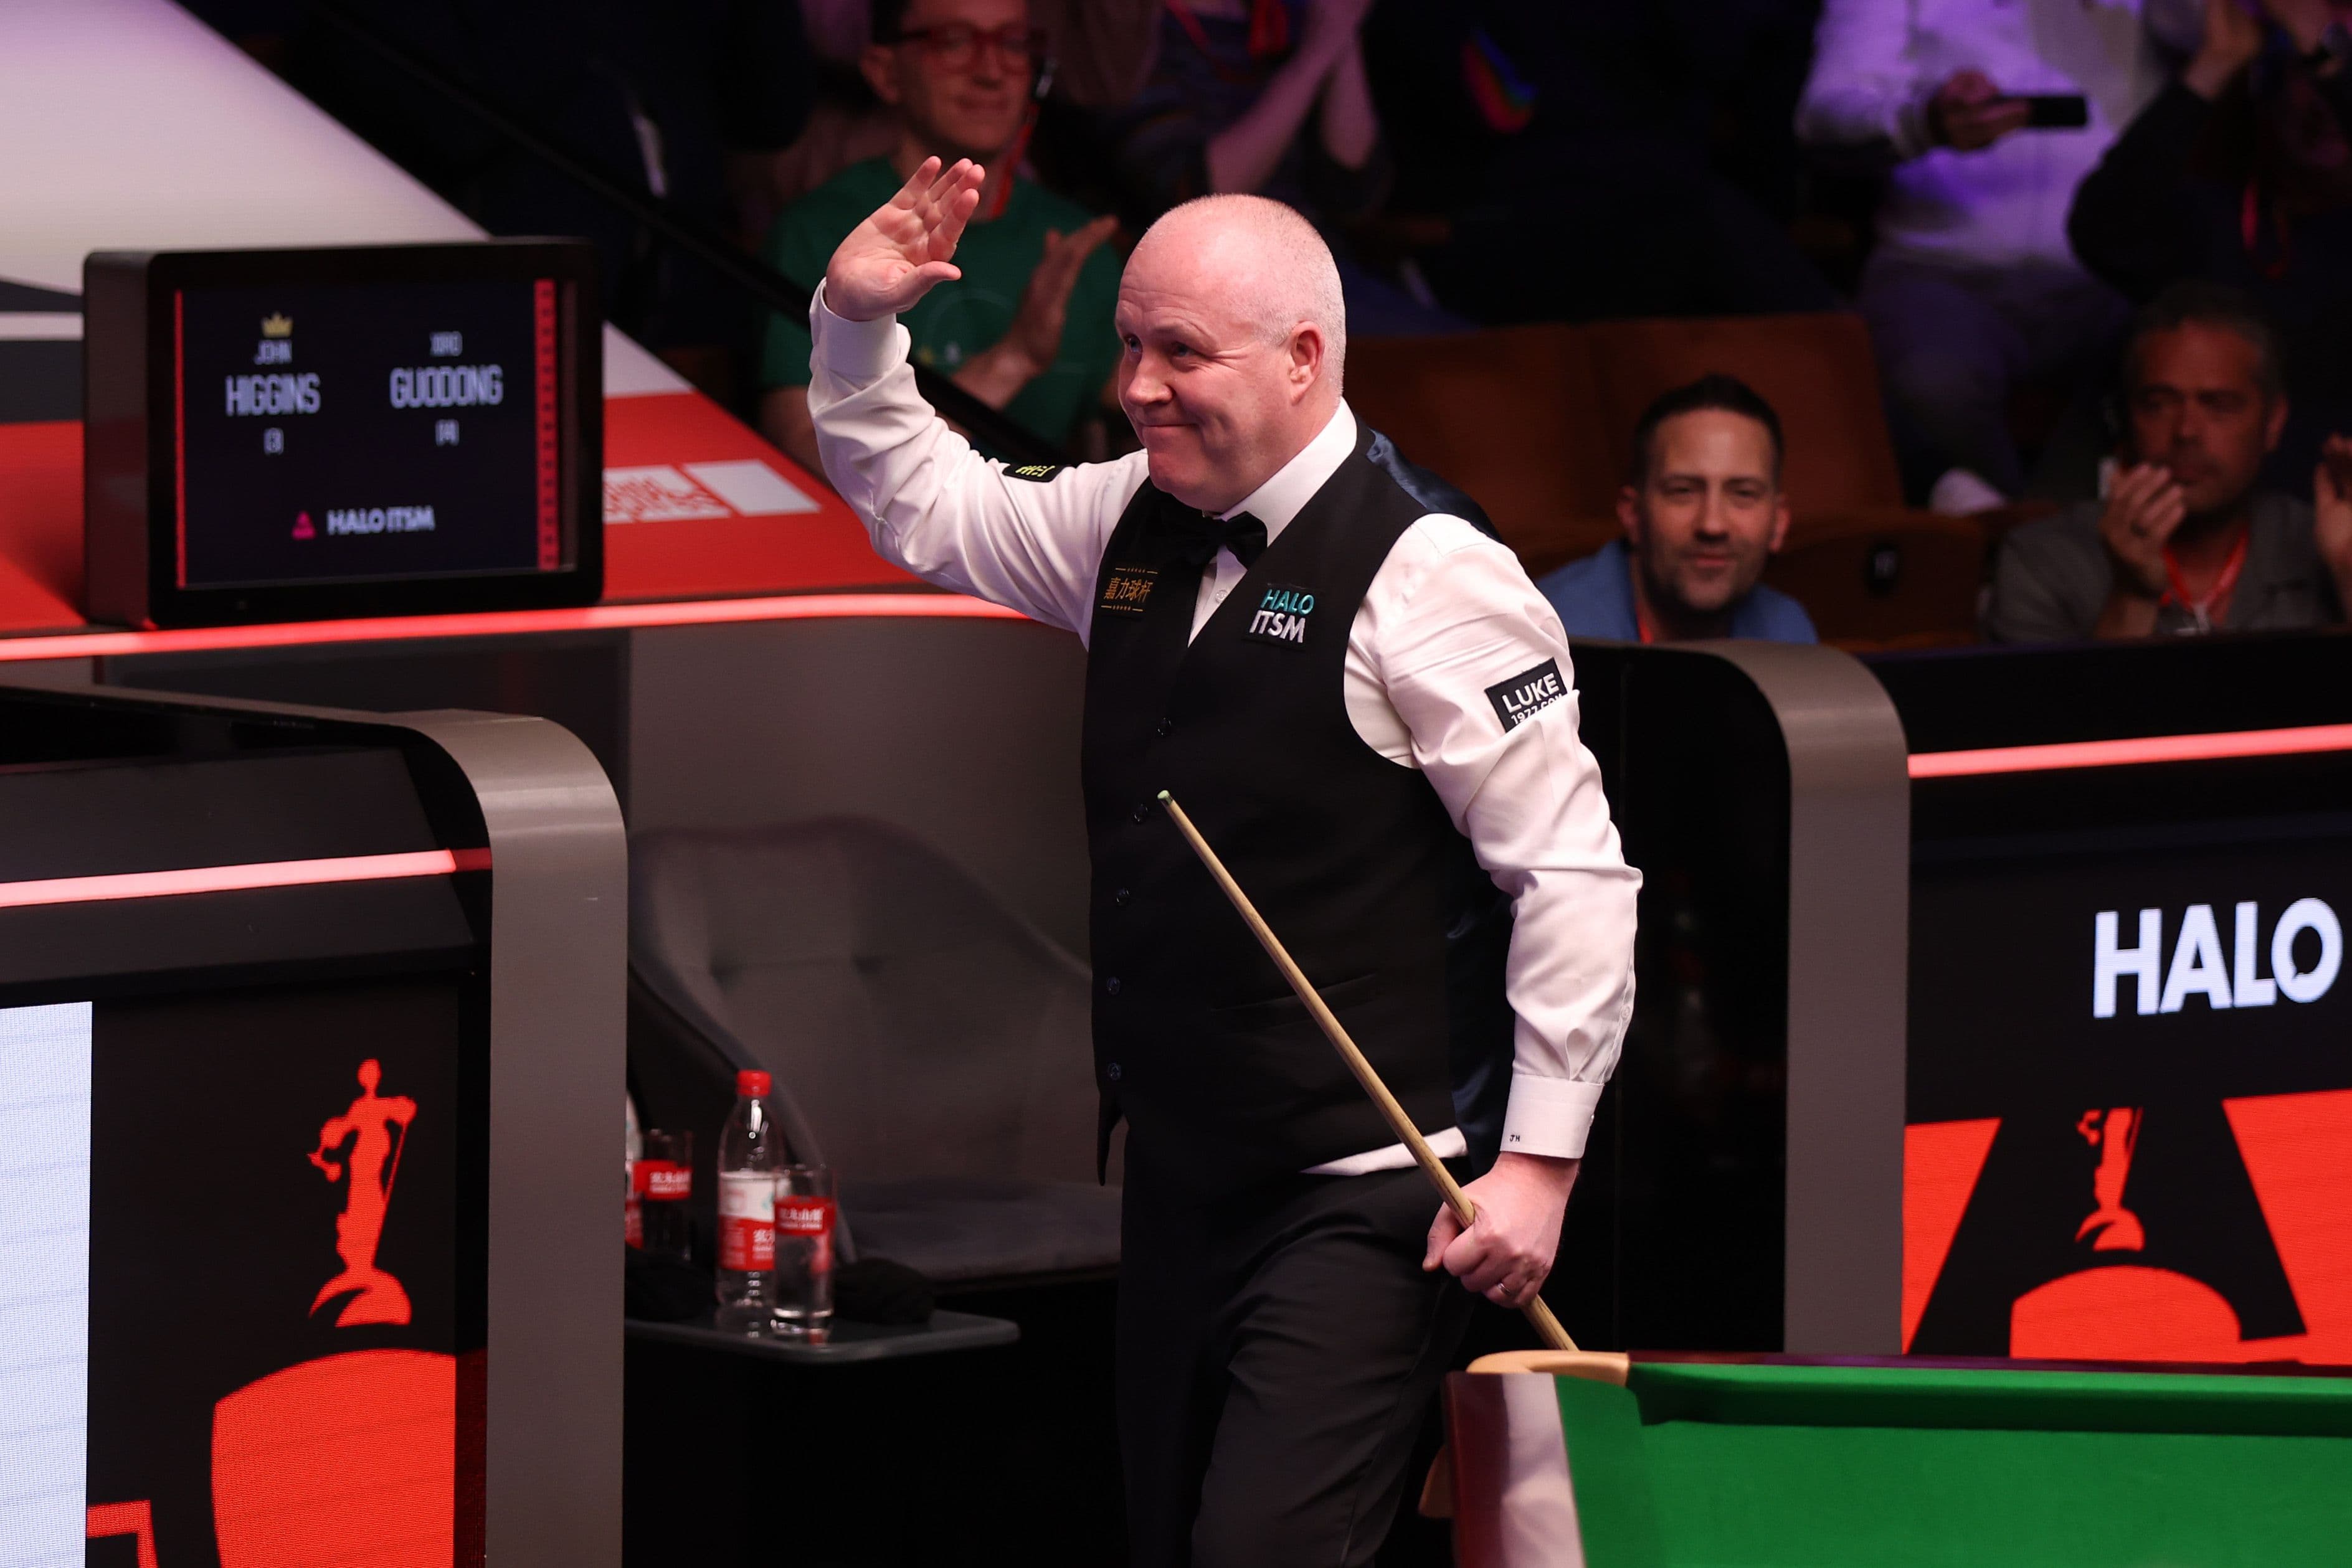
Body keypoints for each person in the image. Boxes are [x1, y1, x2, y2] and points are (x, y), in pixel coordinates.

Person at [808, 163, 1639, 1564]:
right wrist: (851, 320)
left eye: (1181, 351)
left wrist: (1539, 1170)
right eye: (1131, 343)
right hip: (1182, 1176)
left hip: (1371, 1191)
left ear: (1308, 358)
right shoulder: (1121, 515)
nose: (1137, 383)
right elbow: (925, 503)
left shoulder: (1434, 574)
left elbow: (1571, 877)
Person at [1795, 0, 2170, 504]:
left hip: (2117, 276)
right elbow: (1825, 111)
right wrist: (1918, 121)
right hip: (1940, 270)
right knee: (1933, 387)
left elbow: (2219, 33)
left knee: (2181, 377)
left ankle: (2077, 554)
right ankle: (2003, 554)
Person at [756, 0, 1122, 475]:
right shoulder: (823, 232)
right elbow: (805, 454)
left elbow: (1125, 437)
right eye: (954, 41)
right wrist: (1009, 361)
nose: (992, 72)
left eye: (1012, 43)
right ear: (885, 72)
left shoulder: (1078, 240)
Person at [2067, 0, 2352, 494]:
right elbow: (2101, 227)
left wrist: (2326, 56)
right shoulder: (2216, 220)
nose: (2319, 115)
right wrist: (2216, 64)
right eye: (2302, 91)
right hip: (2206, 508)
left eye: (2334, 101)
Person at [1986, 282, 2352, 641]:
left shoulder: (2320, 543)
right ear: (2128, 419)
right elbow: (2074, 705)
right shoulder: (2040, 562)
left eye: (2218, 405)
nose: (2186, 431)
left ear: (2273, 422)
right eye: (2158, 404)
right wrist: (2132, 597)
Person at [1536, 374, 1818, 644]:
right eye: (1682, 491)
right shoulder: (1548, 633)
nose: (1712, 524)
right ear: (1633, 514)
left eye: (1743, 494)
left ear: (1779, 523)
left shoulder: (1787, 630)